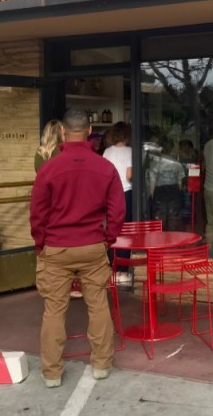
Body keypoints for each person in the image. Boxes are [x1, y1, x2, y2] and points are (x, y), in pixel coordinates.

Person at [29, 109, 125, 388]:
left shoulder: (48, 168)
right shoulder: (105, 167)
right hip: (93, 246)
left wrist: (40, 244)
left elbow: (37, 213)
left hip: (57, 248)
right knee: (98, 306)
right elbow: (117, 211)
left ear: (62, 132)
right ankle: (101, 365)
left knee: (54, 310)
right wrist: (108, 238)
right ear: (89, 130)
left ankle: (52, 373)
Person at [34, 119, 83, 298]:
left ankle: (53, 283)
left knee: (51, 243)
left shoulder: (40, 153)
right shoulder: (63, 153)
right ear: (62, 132)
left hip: (47, 202)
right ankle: (73, 284)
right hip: (65, 201)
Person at [101, 121, 133, 285]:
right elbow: (129, 175)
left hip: (109, 194)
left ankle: (112, 267)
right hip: (126, 193)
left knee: (112, 229)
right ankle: (123, 270)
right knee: (126, 230)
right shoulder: (130, 151)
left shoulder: (107, 152)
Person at [148, 140, 186, 231]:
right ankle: (172, 240)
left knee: (159, 217)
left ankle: (160, 241)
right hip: (173, 190)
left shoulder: (155, 163)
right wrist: (178, 192)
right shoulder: (176, 163)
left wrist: (151, 196)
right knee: (173, 218)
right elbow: (180, 182)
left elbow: (152, 182)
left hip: (159, 191)